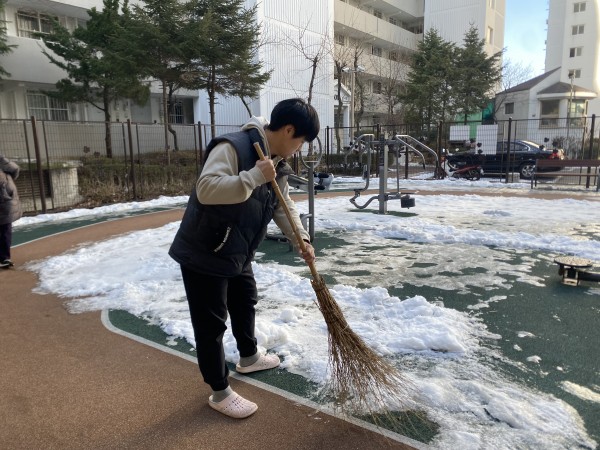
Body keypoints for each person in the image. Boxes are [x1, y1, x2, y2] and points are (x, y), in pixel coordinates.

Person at [168, 98, 318, 419]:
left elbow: (282, 204)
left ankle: (248, 357)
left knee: (244, 298)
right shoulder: (234, 147)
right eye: (301, 141)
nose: (300, 148)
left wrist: (301, 238)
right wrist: (252, 177)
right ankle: (220, 391)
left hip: (237, 247)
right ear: (289, 130)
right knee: (211, 324)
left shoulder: (276, 161)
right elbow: (206, 188)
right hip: (205, 249)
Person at [0, 155, 22, 269]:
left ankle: (4, 258)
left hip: (6, 200)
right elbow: (15, 169)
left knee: (5, 229)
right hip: (7, 198)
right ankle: (4, 257)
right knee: (5, 230)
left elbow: (15, 169)